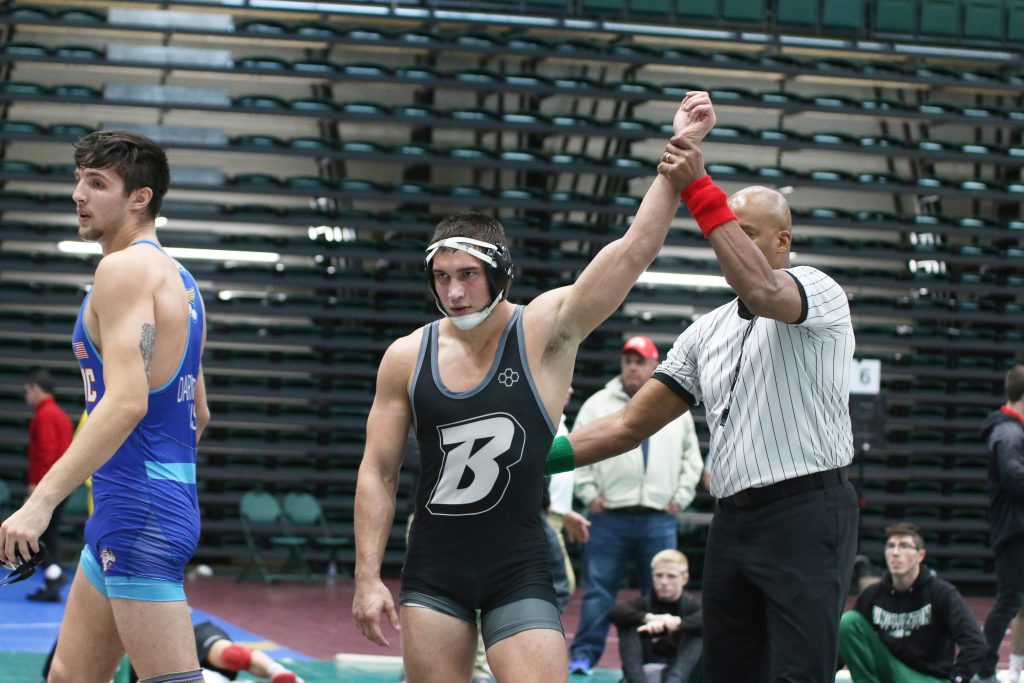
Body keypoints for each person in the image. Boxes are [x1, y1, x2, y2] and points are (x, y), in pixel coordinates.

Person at [351, 93, 717, 683]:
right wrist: (367, 576)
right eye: (441, 277)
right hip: (435, 563)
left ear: (498, 273)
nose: (454, 292)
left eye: (468, 275)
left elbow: (632, 250)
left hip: (516, 563)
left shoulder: (544, 330)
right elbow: (378, 471)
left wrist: (680, 153)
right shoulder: (406, 356)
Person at [549, 93, 859, 682]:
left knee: (798, 673)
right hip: (734, 520)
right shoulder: (704, 332)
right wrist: (536, 459)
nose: (727, 242)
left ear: (783, 242)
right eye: (725, 230)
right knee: (724, 672)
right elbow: (628, 424)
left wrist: (698, 186)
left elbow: (762, 291)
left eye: (745, 233)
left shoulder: (819, 291)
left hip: (807, 512)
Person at [0, 130, 210, 683]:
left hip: (138, 510)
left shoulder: (123, 270)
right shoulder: (183, 281)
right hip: (139, 503)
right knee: (69, 676)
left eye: (97, 183)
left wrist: (41, 503)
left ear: (140, 197)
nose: (78, 194)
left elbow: (125, 403)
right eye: (78, 180)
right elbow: (198, 413)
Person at [568, 336, 703, 674]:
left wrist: (681, 496)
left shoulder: (672, 402)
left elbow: (692, 458)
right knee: (598, 592)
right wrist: (589, 493)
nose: (632, 367)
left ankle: (658, 658)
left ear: (654, 364)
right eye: (627, 360)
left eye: (640, 361)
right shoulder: (597, 404)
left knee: (659, 592)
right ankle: (584, 656)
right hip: (609, 516)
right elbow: (576, 447)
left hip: (658, 517)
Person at [837, 523, 987, 683]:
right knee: (848, 622)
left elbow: (975, 643)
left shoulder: (942, 593)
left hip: (929, 679)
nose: (895, 553)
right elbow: (846, 641)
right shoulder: (873, 594)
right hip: (892, 672)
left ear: (920, 555)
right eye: (891, 546)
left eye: (904, 546)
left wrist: (958, 679)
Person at [42, 621, 305, 683]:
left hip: (162, 652)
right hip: (163, 659)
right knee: (229, 655)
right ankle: (276, 670)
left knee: (228, 655)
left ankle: (277, 672)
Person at [978, 365, 1024, 682]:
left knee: (1013, 601)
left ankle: (1007, 668)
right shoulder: (1008, 433)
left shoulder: (1013, 430)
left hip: (1015, 528)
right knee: (1009, 601)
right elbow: (1014, 478)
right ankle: (982, 670)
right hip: (1014, 530)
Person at [608, 549, 702, 683]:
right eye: (659, 575)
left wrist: (676, 625)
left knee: (700, 631)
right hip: (644, 672)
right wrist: (651, 618)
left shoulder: (692, 606)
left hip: (682, 674)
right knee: (627, 623)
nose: (664, 582)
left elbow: (709, 620)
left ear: (684, 578)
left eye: (671, 576)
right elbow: (615, 613)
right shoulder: (644, 603)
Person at [23, 368, 74, 601]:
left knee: (36, 532)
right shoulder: (60, 415)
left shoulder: (44, 415)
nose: (26, 396)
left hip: (48, 485)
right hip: (62, 483)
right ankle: (52, 580)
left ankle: (54, 575)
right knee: (49, 533)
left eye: (27, 391)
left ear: (35, 388)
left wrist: (36, 486)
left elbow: (45, 454)